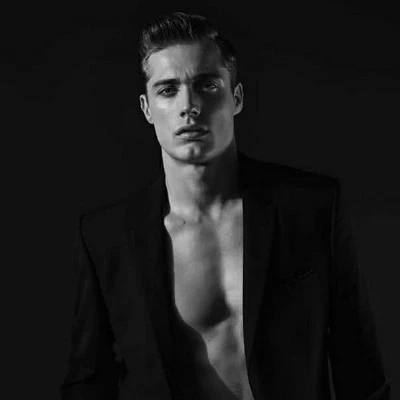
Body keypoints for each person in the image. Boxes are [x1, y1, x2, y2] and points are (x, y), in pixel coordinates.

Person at [60, 11, 390, 400]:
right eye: (168, 90)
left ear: (236, 98)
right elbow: (88, 381)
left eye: (207, 85)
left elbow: (360, 369)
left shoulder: (310, 209)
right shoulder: (107, 237)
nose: (189, 105)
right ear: (147, 109)